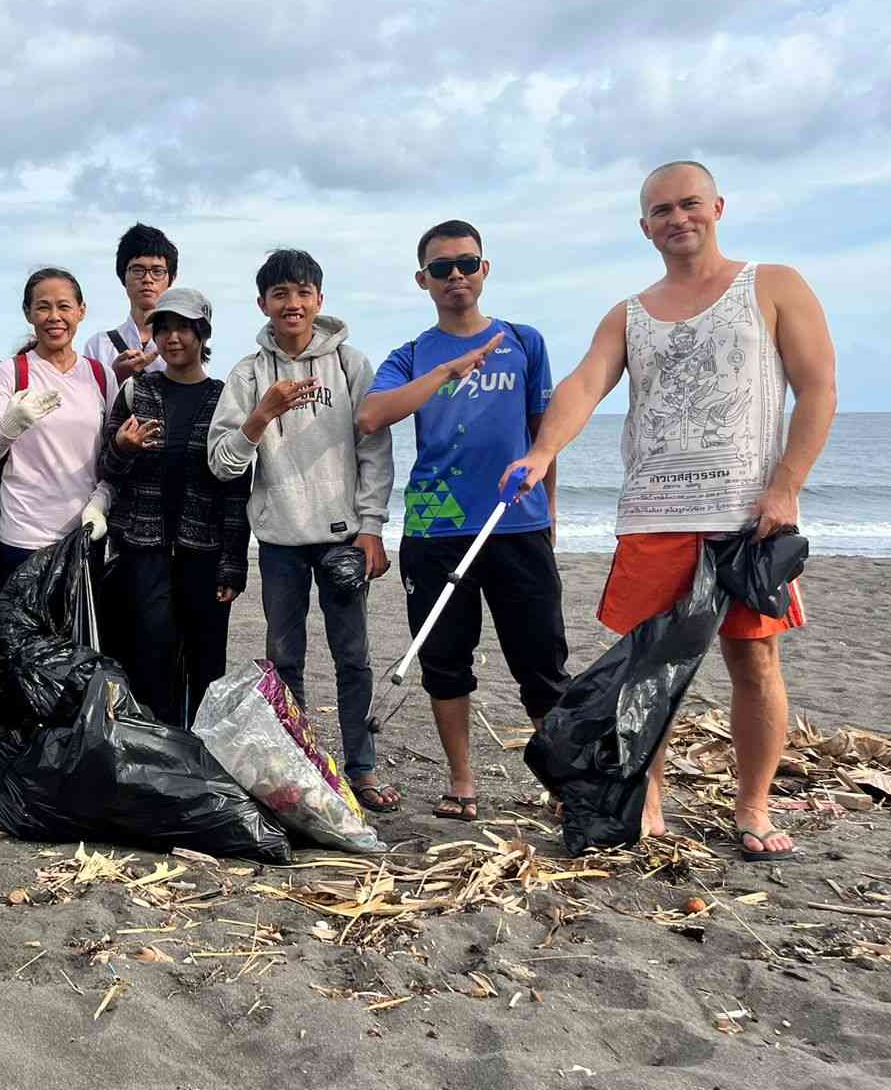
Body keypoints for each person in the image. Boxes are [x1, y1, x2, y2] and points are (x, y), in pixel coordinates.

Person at [502, 161, 837, 861]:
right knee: (643, 670)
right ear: (644, 225)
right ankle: (647, 804)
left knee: (755, 659)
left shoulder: (771, 285)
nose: (677, 218)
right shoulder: (630, 313)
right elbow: (584, 385)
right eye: (661, 210)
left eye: (689, 204)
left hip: (747, 517)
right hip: (654, 512)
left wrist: (785, 485)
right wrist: (540, 454)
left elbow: (818, 389)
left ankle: (753, 808)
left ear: (717, 206)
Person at [358, 220, 567, 821]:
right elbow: (372, 416)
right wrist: (447, 372)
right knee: (445, 661)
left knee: (541, 661)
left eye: (467, 264)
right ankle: (461, 780)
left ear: (485, 269)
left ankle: (560, 783)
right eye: (442, 267)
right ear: (422, 279)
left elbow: (544, 434)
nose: (456, 276)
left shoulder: (523, 341)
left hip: (516, 526)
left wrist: (547, 512)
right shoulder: (412, 354)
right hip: (435, 528)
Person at [207, 249, 397, 810]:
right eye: (280, 294)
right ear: (262, 304)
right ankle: (299, 763)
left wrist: (372, 527)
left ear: (319, 298)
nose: (292, 304)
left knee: (353, 656)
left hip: (342, 537)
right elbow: (221, 463)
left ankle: (361, 767)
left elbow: (374, 450)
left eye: (302, 292)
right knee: (284, 658)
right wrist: (261, 415)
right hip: (279, 542)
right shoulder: (247, 373)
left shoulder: (350, 365)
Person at [98, 287, 250, 727]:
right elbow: (106, 468)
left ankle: (199, 756)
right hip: (141, 549)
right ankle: (154, 753)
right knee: (147, 656)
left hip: (202, 551)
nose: (173, 337)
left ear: (203, 333)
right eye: (163, 328)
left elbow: (237, 486)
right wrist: (124, 447)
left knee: (205, 660)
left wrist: (232, 564)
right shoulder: (134, 392)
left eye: (184, 328)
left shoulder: (226, 398)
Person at [0, 268, 117, 604]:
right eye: (43, 307)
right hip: (23, 537)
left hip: (83, 535)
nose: (54, 317)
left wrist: (101, 502)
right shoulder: (11, 372)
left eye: (64, 307)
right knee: (25, 648)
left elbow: (112, 458)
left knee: (75, 649)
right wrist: (10, 426)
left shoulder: (100, 375)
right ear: (28, 313)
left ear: (81, 311)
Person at [81, 222, 175, 382]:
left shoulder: (183, 344)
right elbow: (88, 403)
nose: (147, 279)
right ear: (122, 276)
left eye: (157, 271)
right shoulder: (98, 346)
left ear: (171, 278)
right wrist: (115, 377)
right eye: (137, 270)